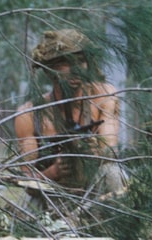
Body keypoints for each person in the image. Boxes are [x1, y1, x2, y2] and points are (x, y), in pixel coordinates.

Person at [13, 29, 125, 195]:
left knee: (113, 173)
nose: (75, 70)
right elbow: (26, 181)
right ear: (49, 69)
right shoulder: (29, 114)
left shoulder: (104, 96)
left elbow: (110, 151)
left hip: (94, 191)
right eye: (65, 62)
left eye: (81, 61)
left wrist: (94, 152)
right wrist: (53, 172)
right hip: (52, 196)